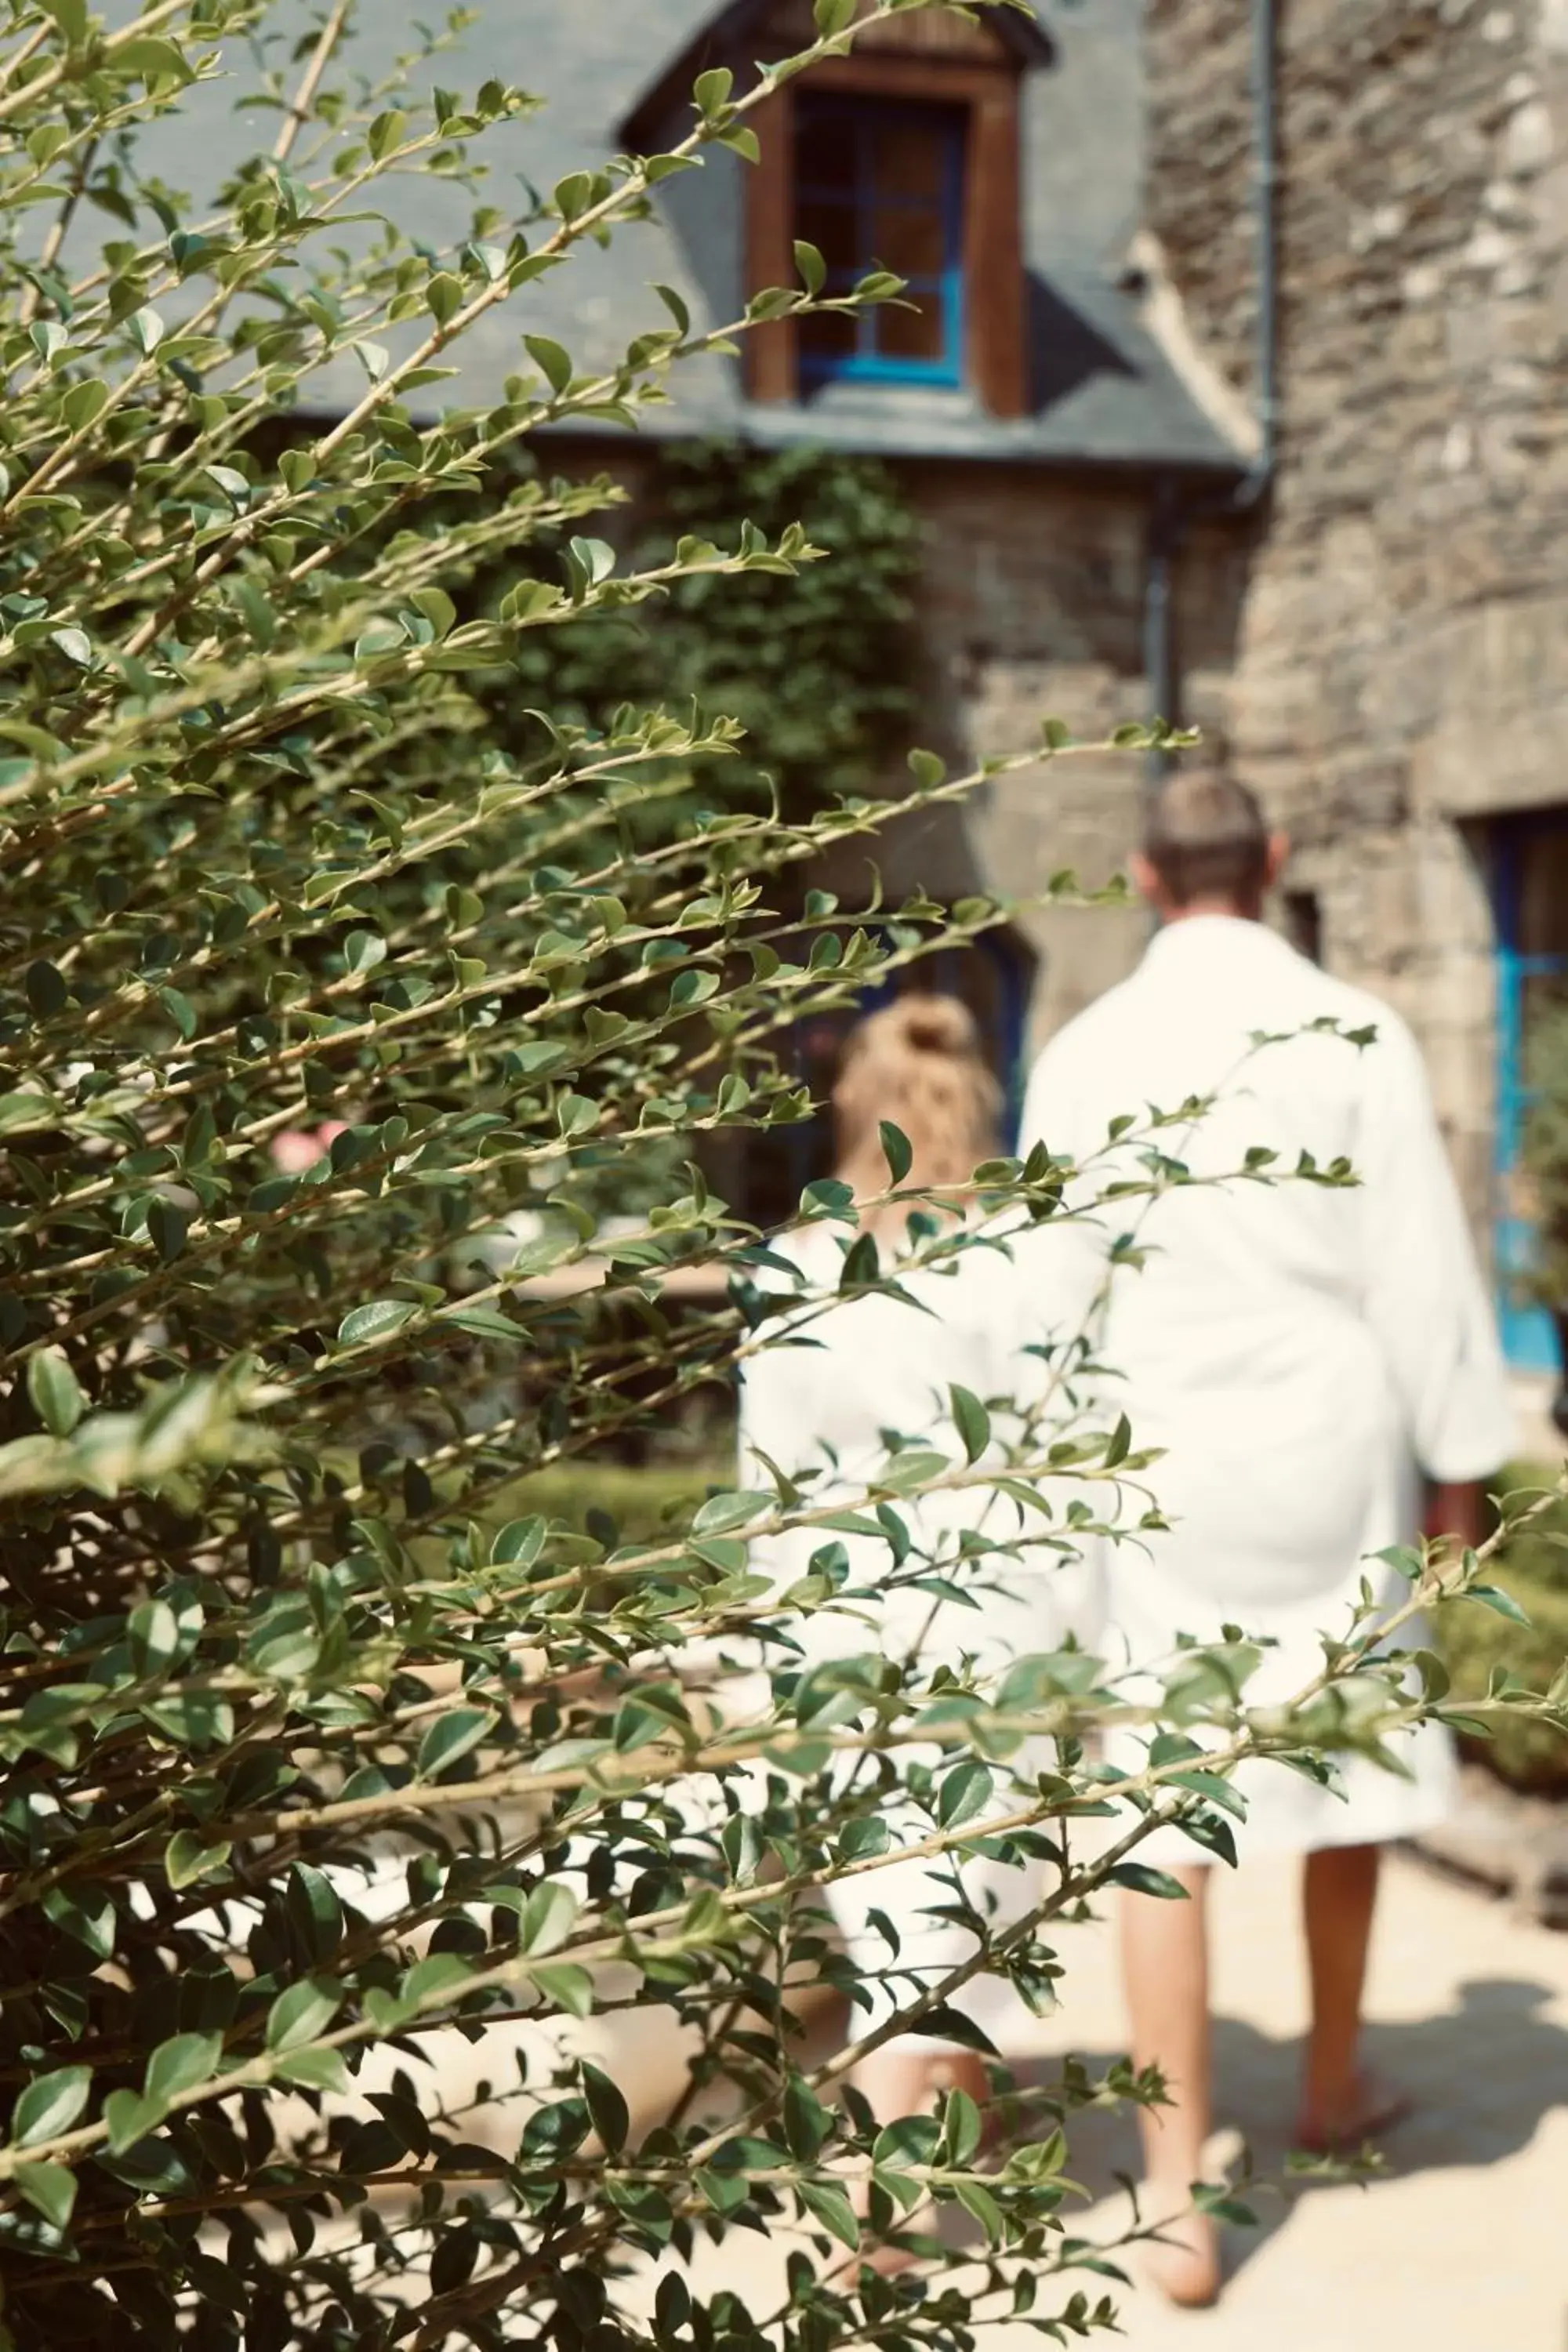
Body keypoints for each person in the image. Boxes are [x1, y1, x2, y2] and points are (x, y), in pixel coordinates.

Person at [1015, 771, 1515, 2304]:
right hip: (1329, 1439)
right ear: (1273, 863)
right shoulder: (1354, 1032)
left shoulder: (1088, 1049)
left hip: (1152, 1448)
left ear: (1145, 876)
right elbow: (1420, 1268)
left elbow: (1048, 1284)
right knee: (1347, 1767)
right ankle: (1330, 2084)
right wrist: (1459, 1466)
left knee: (1162, 1805)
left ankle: (1174, 2191)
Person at [737, 994, 1095, 2146]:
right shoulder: (1024, 1260)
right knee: (972, 1893)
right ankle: (878, 2231)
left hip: (842, 1625)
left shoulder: (795, 1271)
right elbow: (1068, 1449)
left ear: (854, 1104)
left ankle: (954, 2130)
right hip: (997, 1614)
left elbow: (765, 1486)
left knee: (896, 1905)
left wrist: (762, 1654)